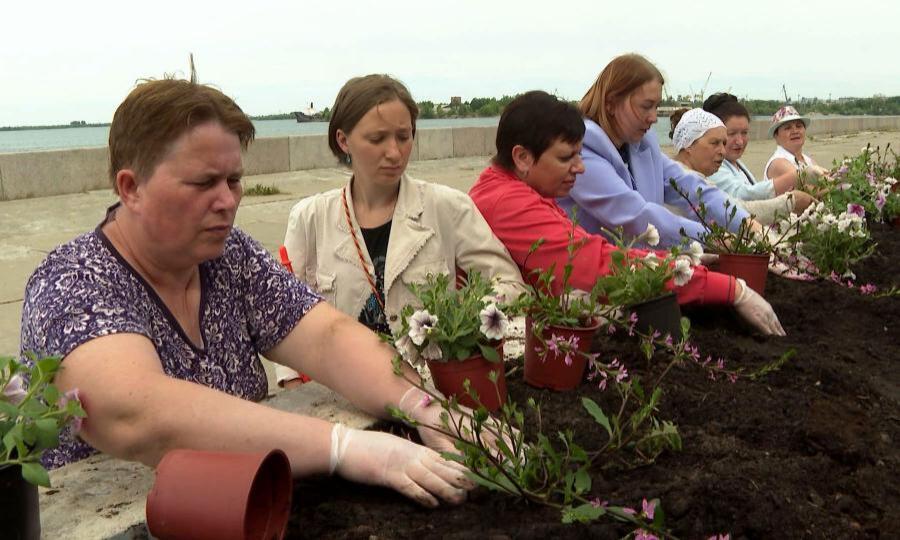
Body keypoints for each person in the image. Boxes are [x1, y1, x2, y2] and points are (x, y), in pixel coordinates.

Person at [19, 78, 480, 508]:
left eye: (234, 180)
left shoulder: (226, 254)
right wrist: (344, 447)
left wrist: (431, 410)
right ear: (131, 187)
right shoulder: (72, 280)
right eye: (203, 183)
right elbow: (136, 413)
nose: (228, 200)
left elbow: (325, 336)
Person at [276, 74, 526, 387]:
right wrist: (297, 390)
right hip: (343, 397)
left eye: (403, 136)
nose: (394, 152)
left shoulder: (448, 207)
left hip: (433, 392)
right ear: (343, 140)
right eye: (377, 139)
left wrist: (458, 322)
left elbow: (510, 287)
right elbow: (284, 319)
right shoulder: (309, 218)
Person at [469, 90, 785, 336]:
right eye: (567, 157)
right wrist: (731, 289)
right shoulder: (510, 204)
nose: (580, 167)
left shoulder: (514, 190)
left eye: (580, 155)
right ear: (523, 157)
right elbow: (599, 266)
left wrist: (681, 260)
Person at [558, 54, 758, 248]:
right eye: (646, 106)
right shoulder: (580, 150)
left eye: (656, 106)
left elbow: (690, 186)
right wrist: (714, 239)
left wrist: (748, 226)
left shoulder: (642, 144)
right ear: (611, 103)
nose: (654, 117)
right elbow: (635, 216)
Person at [669, 108, 810, 224]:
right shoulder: (682, 180)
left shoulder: (694, 175)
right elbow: (732, 209)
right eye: (714, 143)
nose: (723, 151)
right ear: (689, 145)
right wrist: (789, 202)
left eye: (723, 143)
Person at [702, 94, 815, 214]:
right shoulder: (712, 168)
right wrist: (798, 177)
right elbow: (741, 195)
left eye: (744, 133)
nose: (739, 141)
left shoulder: (737, 164)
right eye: (731, 133)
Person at [763, 105, 829, 183]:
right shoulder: (778, 163)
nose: (795, 131)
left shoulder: (807, 160)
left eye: (799, 126)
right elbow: (810, 188)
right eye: (788, 128)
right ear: (776, 136)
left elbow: (826, 179)